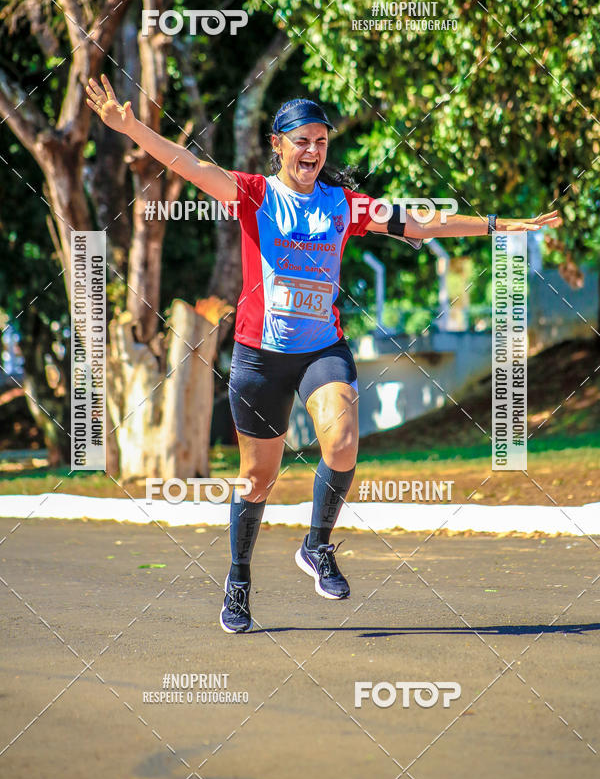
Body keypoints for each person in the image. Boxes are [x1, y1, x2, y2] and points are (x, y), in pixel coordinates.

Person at [85, 76, 562, 633]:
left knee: (342, 441)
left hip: (321, 352)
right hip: (259, 357)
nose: (313, 151)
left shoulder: (344, 204)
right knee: (257, 478)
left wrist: (499, 226)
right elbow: (187, 164)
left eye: (321, 141)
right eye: (302, 141)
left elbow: (421, 220)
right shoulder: (253, 195)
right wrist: (129, 126)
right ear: (278, 145)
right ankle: (238, 582)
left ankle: (317, 545)